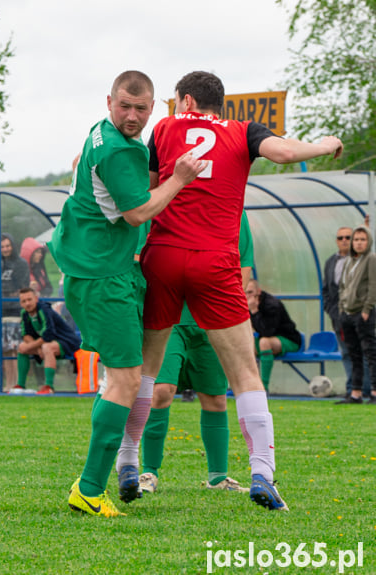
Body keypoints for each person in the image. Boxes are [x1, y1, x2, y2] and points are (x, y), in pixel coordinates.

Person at [139, 70, 343, 512]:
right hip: (215, 262)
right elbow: (286, 151)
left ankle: (128, 465)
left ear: (187, 101)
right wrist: (326, 144)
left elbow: (148, 192)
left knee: (146, 375)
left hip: (165, 255)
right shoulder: (243, 131)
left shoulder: (164, 128)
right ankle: (262, 473)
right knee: (245, 376)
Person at [48, 70, 206, 518]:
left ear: (153, 108)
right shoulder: (117, 150)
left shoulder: (101, 133)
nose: (132, 115)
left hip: (94, 266)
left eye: (141, 108)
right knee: (125, 379)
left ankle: (101, 476)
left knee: (122, 378)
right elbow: (138, 213)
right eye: (125, 106)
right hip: (102, 275)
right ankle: (91, 488)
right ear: (109, 102)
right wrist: (179, 178)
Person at [137, 213, 254, 496]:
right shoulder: (161, 200)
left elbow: (244, 264)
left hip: (212, 318)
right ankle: (148, 472)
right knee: (161, 390)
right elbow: (140, 257)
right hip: (169, 318)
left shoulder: (232, 206)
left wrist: (225, 303)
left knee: (214, 398)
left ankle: (218, 477)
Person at [323, 226, 370, 399]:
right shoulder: (330, 262)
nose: (344, 240)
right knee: (347, 352)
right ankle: (353, 389)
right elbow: (327, 289)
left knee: (365, 352)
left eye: (348, 237)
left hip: (360, 314)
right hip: (339, 317)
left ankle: (366, 388)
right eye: (340, 237)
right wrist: (333, 311)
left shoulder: (364, 261)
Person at [13, 287, 80, 395]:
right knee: (21, 347)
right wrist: (36, 347)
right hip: (45, 344)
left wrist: (37, 347)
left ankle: (49, 387)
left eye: (29, 299)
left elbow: (48, 335)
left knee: (47, 347)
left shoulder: (44, 310)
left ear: (36, 298)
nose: (27, 303)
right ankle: (20, 385)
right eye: (24, 301)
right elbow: (25, 335)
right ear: (20, 303)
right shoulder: (24, 313)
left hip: (67, 342)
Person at [336, 226, 376, 404]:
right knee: (354, 354)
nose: (359, 243)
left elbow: (373, 286)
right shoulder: (349, 261)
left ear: (368, 242)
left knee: (370, 353)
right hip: (347, 313)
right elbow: (343, 286)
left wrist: (367, 309)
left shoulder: (371, 259)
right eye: (356, 239)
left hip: (363, 313)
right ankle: (356, 393)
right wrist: (341, 308)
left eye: (363, 239)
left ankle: (374, 392)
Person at [0, 233, 30, 391]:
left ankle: (16, 383)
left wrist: (10, 293)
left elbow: (22, 287)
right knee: (5, 349)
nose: (5, 249)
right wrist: (4, 293)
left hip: (15, 312)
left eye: (8, 246)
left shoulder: (21, 264)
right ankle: (7, 383)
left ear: (12, 246)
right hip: (2, 314)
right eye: (2, 247)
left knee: (15, 348)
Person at [245, 279, 302, 392]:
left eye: (250, 292)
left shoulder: (272, 305)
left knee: (264, 342)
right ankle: (247, 386)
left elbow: (267, 332)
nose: (248, 296)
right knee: (244, 345)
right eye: (245, 293)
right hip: (266, 339)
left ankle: (263, 387)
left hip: (289, 339)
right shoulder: (245, 304)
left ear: (258, 292)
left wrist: (254, 311)